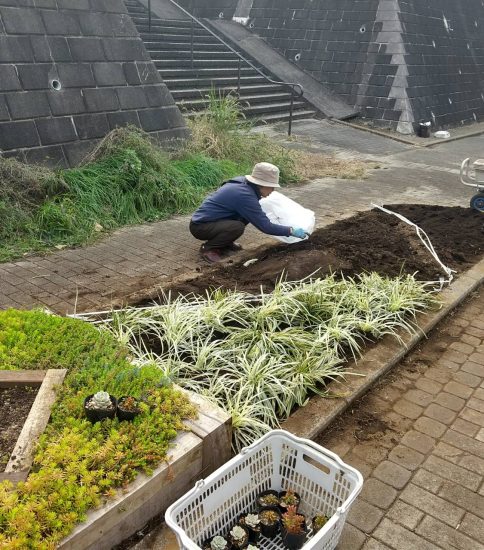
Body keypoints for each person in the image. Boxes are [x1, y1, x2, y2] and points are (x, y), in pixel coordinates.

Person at [190, 161, 308, 263]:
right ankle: (209, 248)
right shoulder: (244, 195)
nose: (273, 190)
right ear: (262, 184)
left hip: (214, 221)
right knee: (236, 227)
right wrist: (290, 230)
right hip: (200, 226)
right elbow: (265, 227)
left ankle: (225, 243)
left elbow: (255, 214)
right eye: (271, 186)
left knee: (246, 217)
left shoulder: (245, 185)